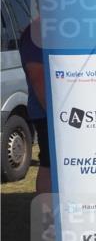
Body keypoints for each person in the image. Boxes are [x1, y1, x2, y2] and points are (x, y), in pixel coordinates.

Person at [18, 19, 50, 195]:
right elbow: (37, 76)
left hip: (67, 112)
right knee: (49, 162)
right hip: (46, 113)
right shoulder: (36, 33)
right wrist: (54, 115)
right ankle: (48, 216)